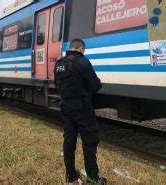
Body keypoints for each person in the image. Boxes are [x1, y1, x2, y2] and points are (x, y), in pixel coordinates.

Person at [54, 39, 107, 184]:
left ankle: (70, 175)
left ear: (71, 48)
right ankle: (93, 178)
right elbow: (95, 85)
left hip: (66, 106)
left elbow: (56, 84)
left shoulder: (59, 63)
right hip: (82, 108)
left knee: (69, 140)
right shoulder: (83, 62)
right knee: (89, 141)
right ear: (81, 49)